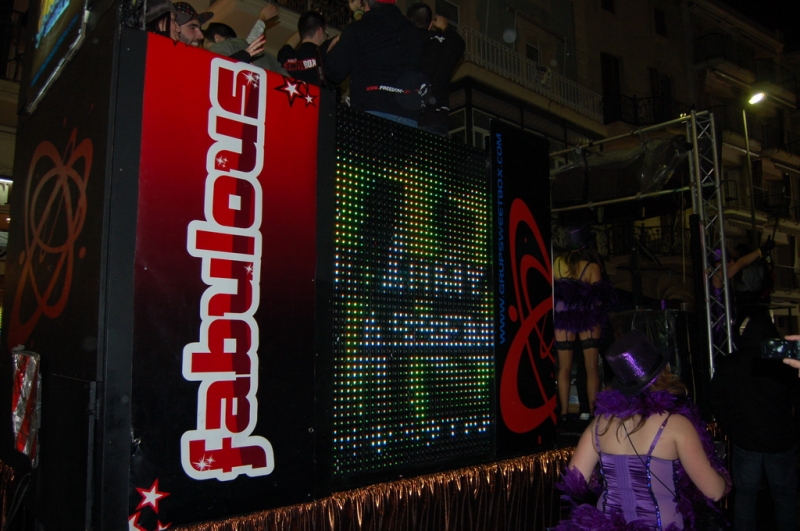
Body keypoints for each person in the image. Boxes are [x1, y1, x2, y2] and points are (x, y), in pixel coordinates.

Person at [556, 330, 730, 530]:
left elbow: (574, 482)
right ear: (663, 372)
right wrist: (723, 478)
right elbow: (713, 492)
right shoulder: (676, 425)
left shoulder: (600, 423)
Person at [711, 314, 799, 531]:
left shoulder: (731, 362)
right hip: (779, 440)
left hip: (746, 440)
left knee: (746, 497)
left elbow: (716, 401)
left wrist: (733, 430)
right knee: (784, 497)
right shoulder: (783, 361)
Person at [324, 0, 423, 127]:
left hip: (371, 111)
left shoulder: (359, 28)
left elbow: (334, 71)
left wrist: (332, 50)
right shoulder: (413, 32)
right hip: (408, 116)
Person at [553, 225, 615, 422]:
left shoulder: (557, 263)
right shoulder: (592, 267)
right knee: (591, 368)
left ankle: (563, 413)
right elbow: (598, 299)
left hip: (562, 315)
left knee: (564, 368)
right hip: (587, 316)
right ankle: (592, 412)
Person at [406, 3, 464, 137]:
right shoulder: (443, 44)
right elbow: (459, 44)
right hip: (435, 120)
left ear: (408, 21)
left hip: (406, 117)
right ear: (430, 25)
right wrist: (445, 27)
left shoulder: (402, 43)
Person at [709, 238, 774, 351]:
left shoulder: (722, 278)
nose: (732, 263)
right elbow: (741, 263)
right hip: (720, 326)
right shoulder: (717, 276)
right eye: (729, 261)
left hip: (726, 324)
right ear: (718, 264)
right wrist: (760, 250)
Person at [277, 11, 332, 87]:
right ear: (320, 31)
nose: (327, 37)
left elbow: (288, 45)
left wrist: (307, 25)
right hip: (320, 94)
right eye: (326, 34)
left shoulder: (287, 57)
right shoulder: (325, 54)